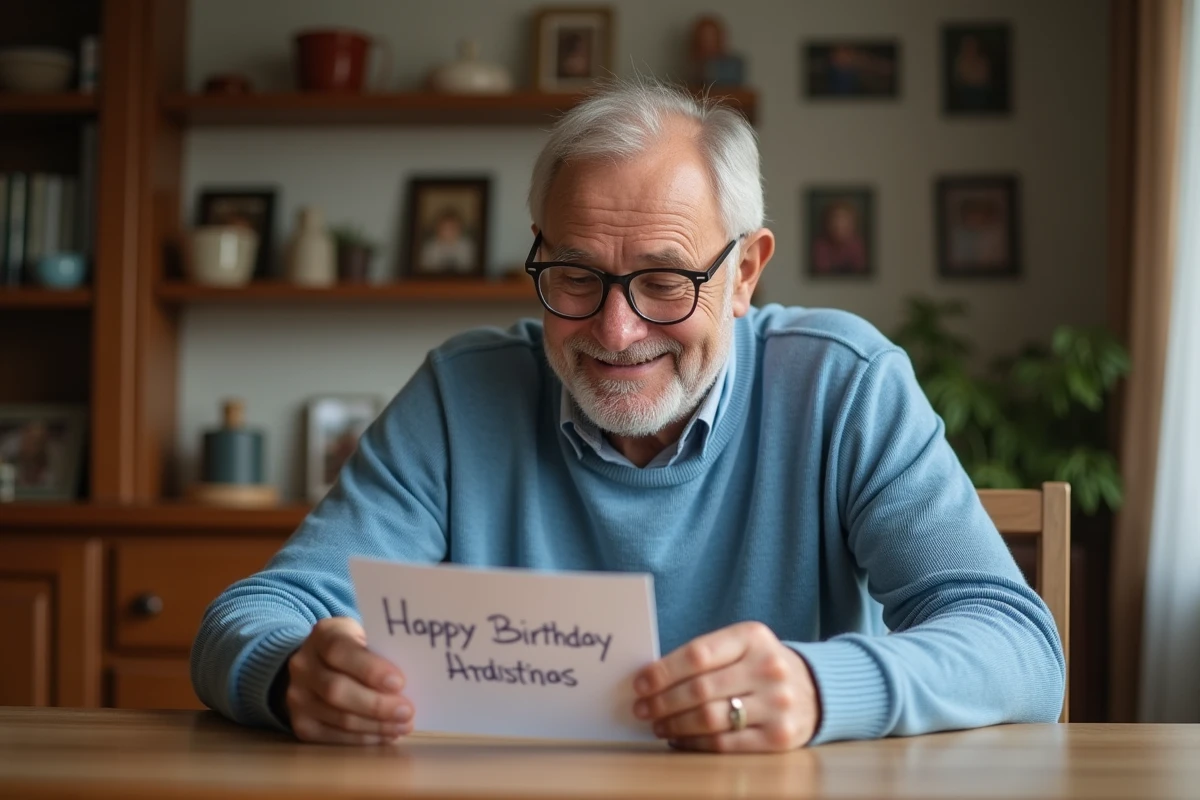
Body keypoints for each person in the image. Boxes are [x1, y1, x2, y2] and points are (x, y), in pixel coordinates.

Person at [192, 81, 1064, 752]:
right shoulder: (462, 396)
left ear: (745, 273)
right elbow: (254, 614)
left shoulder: (846, 384)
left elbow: (1018, 647)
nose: (615, 331)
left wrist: (819, 686)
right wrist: (291, 675)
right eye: (574, 276)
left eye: (664, 280)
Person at [811, 198, 868, 274]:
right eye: (835, 221)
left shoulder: (858, 245)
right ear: (827, 224)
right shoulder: (820, 245)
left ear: (853, 224)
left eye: (844, 221)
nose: (839, 226)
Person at [417, 208, 475, 273]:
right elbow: (424, 269)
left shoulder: (466, 246)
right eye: (445, 228)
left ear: (460, 229)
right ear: (437, 229)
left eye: (452, 228)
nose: (449, 232)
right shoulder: (430, 247)